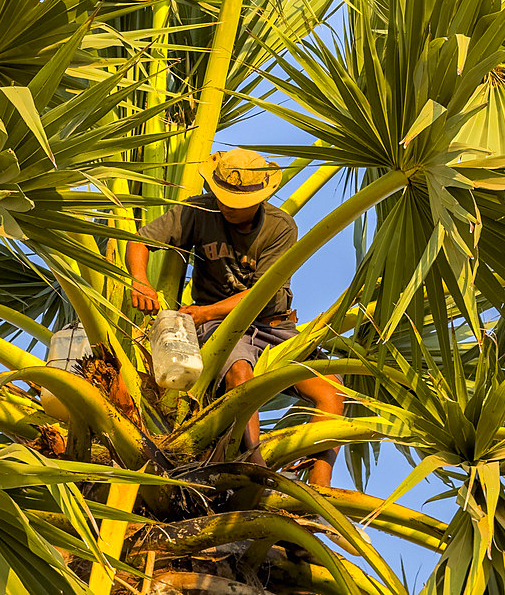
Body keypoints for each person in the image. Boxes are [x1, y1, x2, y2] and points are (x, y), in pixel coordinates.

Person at [126, 148, 344, 486]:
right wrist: (140, 280)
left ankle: (319, 488)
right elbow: (140, 241)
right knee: (239, 373)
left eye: (237, 204)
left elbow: (263, 295)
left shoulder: (280, 227)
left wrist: (203, 312)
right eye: (223, 199)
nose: (228, 208)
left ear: (260, 199)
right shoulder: (199, 210)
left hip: (273, 325)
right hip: (223, 328)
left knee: (331, 392)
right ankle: (254, 466)